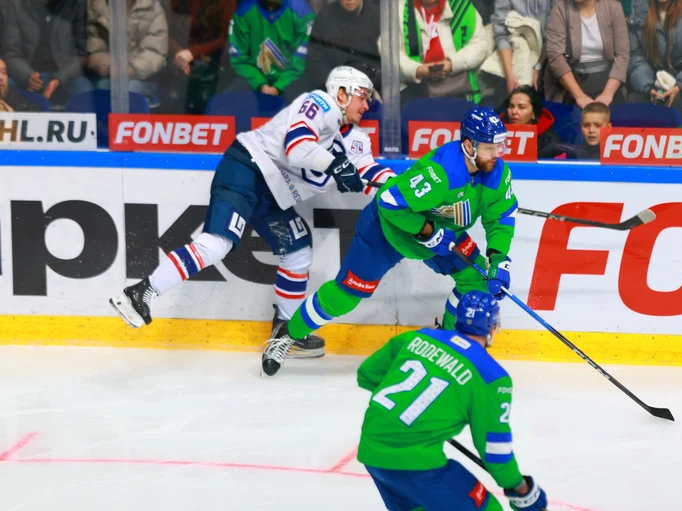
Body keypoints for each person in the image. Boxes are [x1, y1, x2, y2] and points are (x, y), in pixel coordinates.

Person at [110, 66, 393, 359]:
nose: (367, 104)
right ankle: (141, 292)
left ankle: (285, 330)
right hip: (246, 170)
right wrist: (335, 164)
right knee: (218, 244)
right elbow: (298, 147)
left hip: (272, 194)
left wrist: (403, 191)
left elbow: (370, 173)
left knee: (297, 252)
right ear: (342, 93)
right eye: (362, 95)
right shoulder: (319, 104)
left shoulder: (357, 140)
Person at [261, 107, 519, 376]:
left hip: (441, 232)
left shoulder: (497, 173)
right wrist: (428, 232)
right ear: (468, 145)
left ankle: (446, 346)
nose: (497, 154)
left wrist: (499, 257)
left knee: (476, 280)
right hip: (387, 229)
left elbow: (501, 216)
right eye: (490, 148)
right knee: (346, 296)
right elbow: (389, 202)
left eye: (500, 146)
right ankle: (287, 334)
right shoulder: (441, 172)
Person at [357, 290, 548, 511]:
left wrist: (414, 418)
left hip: (372, 451)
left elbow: (367, 375)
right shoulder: (491, 376)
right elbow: (494, 448)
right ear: (492, 327)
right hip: (419, 465)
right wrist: (519, 487)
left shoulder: (417, 337)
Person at [627, 0, 682, 121]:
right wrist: (649, 88)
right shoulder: (638, 14)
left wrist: (679, 86)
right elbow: (636, 57)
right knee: (634, 105)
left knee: (681, 109)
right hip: (651, 80)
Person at [397, 0, 490, 106]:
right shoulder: (399, 11)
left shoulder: (461, 6)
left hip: (461, 92)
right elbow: (390, 55)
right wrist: (417, 70)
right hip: (413, 94)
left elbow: (479, 45)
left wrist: (452, 63)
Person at [1, 0, 93, 103]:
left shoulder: (75, 3)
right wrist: (27, 76)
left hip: (65, 74)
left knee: (84, 89)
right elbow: (10, 52)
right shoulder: (14, 4)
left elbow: (80, 55)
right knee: (5, 86)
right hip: (26, 73)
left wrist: (59, 79)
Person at [544, 0, 630, 108]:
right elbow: (556, 58)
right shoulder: (560, 9)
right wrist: (579, 96)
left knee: (610, 115)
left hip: (608, 82)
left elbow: (622, 55)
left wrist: (607, 94)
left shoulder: (613, 7)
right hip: (571, 85)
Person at [228, 0, 315, 103]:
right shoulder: (243, 12)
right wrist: (260, 84)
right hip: (254, 80)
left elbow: (301, 61)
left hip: (292, 80)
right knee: (230, 99)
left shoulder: (302, 12)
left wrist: (278, 86)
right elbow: (239, 59)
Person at [161, 0, 237, 114]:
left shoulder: (226, 2)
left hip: (212, 59)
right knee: (171, 96)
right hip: (177, 56)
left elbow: (225, 39)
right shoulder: (175, 2)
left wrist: (193, 53)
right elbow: (164, 33)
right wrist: (179, 52)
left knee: (203, 96)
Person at [87, 0, 169, 102]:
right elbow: (95, 47)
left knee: (130, 90)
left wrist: (131, 70)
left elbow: (156, 52)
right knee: (101, 88)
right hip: (108, 75)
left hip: (143, 78)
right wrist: (108, 66)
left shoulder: (152, 7)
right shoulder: (96, 6)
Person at [304, 0, 382, 92]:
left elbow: (387, 61)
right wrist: (335, 86)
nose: (350, 0)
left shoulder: (379, 16)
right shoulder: (324, 18)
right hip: (334, 88)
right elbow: (315, 60)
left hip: (370, 88)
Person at [492, 0, 556, 93]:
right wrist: (509, 74)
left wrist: (537, 67)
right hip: (513, 55)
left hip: (544, 56)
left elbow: (553, 34)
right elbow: (502, 35)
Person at [499, 84, 564, 158]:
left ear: (534, 113)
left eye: (521, 107)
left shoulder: (551, 143)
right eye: (511, 106)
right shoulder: (496, 133)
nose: (514, 111)